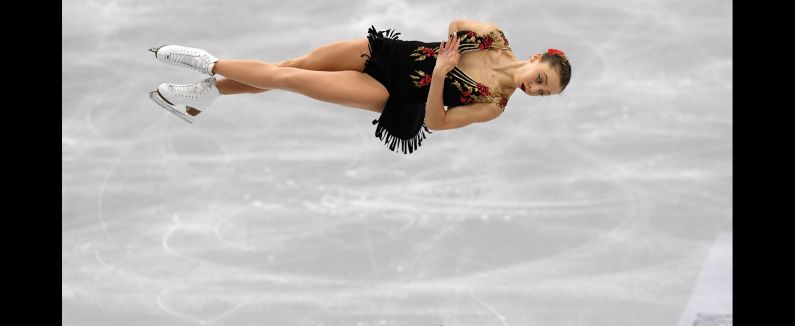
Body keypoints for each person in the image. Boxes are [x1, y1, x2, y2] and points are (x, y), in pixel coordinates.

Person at [148, 19, 572, 154]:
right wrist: (457, 46)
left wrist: (442, 73)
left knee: (292, 79)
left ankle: (205, 62)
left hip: (394, 96)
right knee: (293, 64)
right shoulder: (494, 39)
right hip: (389, 55)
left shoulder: (493, 104)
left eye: (543, 92)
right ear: (535, 60)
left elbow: (438, 124)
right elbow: (458, 24)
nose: (536, 89)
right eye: (541, 79)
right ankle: (207, 94)